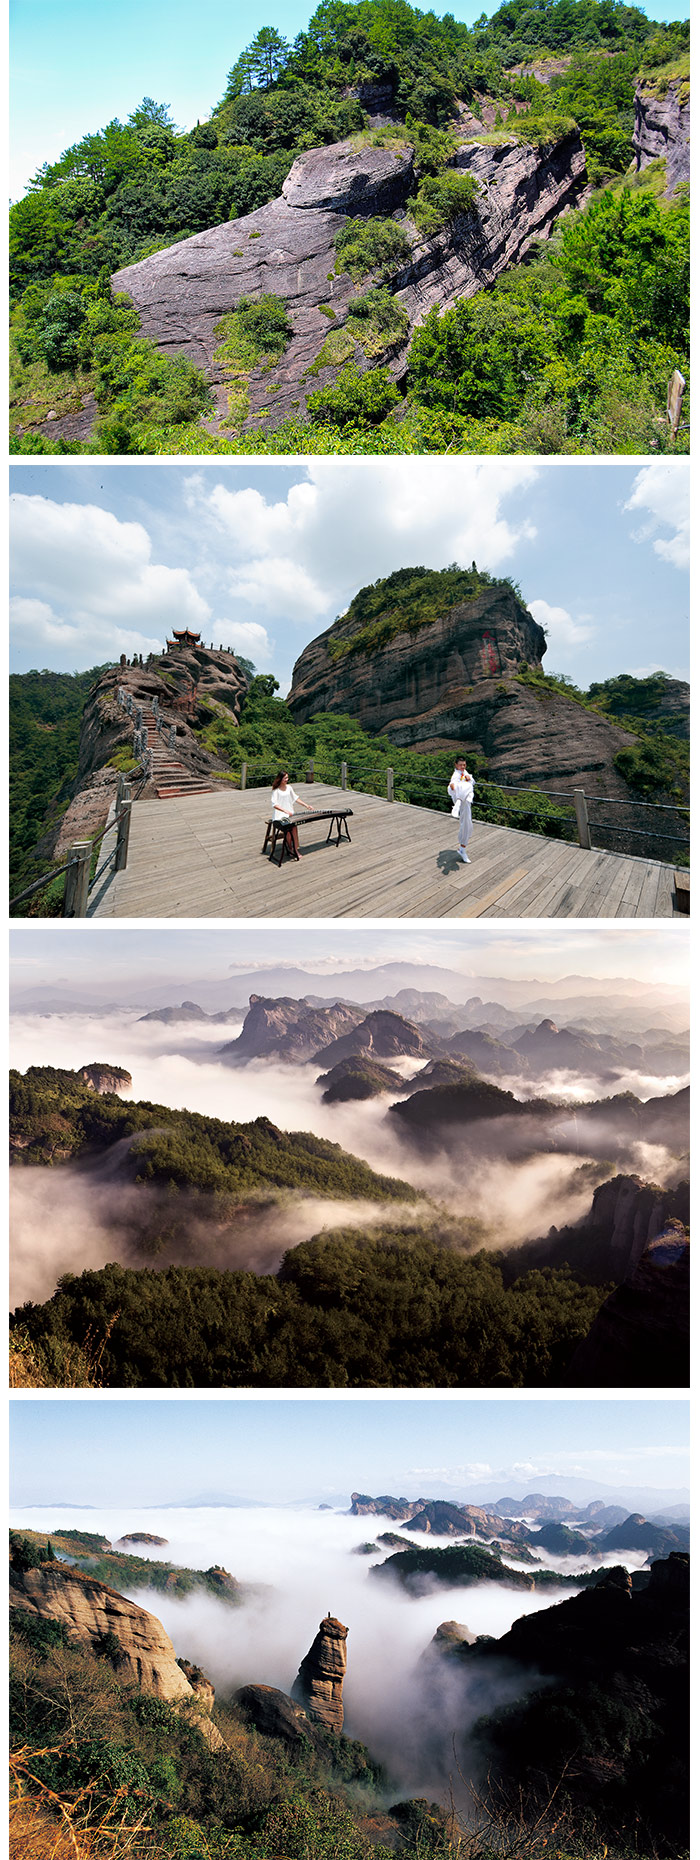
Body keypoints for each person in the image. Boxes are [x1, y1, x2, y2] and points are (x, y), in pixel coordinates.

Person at [270, 769, 315, 856]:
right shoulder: (276, 790)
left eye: (287, 778)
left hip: (289, 814)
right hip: (280, 815)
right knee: (289, 828)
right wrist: (284, 810)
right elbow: (274, 804)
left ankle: (294, 849)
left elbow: (296, 798)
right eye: (285, 778)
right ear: (280, 779)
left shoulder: (289, 787)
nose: (287, 779)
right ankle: (290, 848)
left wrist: (306, 805)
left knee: (294, 828)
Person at [447, 757, 475, 864]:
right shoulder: (456, 774)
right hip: (462, 801)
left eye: (464, 765)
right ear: (456, 765)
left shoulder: (464, 772)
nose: (463, 767)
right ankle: (462, 849)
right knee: (466, 824)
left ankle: (462, 848)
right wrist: (453, 787)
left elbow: (472, 782)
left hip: (465, 802)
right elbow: (453, 783)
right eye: (461, 765)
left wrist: (469, 779)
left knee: (467, 824)